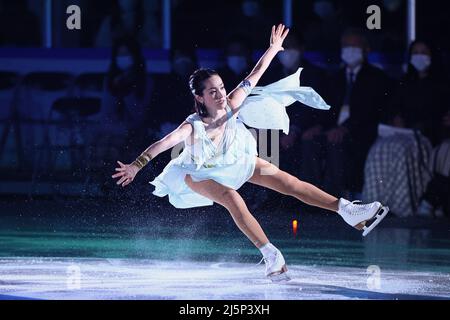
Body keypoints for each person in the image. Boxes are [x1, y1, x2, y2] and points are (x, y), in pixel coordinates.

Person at [112, 25, 389, 281]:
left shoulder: (232, 103)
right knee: (232, 197)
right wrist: (137, 166)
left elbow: (255, 74)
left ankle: (347, 209)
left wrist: (273, 49)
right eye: (212, 92)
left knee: (287, 182)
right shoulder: (192, 126)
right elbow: (162, 144)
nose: (220, 95)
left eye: (221, 88)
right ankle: (271, 255)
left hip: (235, 158)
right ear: (199, 98)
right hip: (199, 172)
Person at [363, 40, 448, 217]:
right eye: (415, 52)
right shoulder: (404, 82)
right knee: (379, 150)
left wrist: (423, 125)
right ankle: (374, 204)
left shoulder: (442, 84)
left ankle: (403, 206)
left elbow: (441, 116)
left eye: (423, 52)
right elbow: (393, 107)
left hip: (425, 135)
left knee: (401, 151)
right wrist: (396, 118)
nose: (419, 56)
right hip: (400, 133)